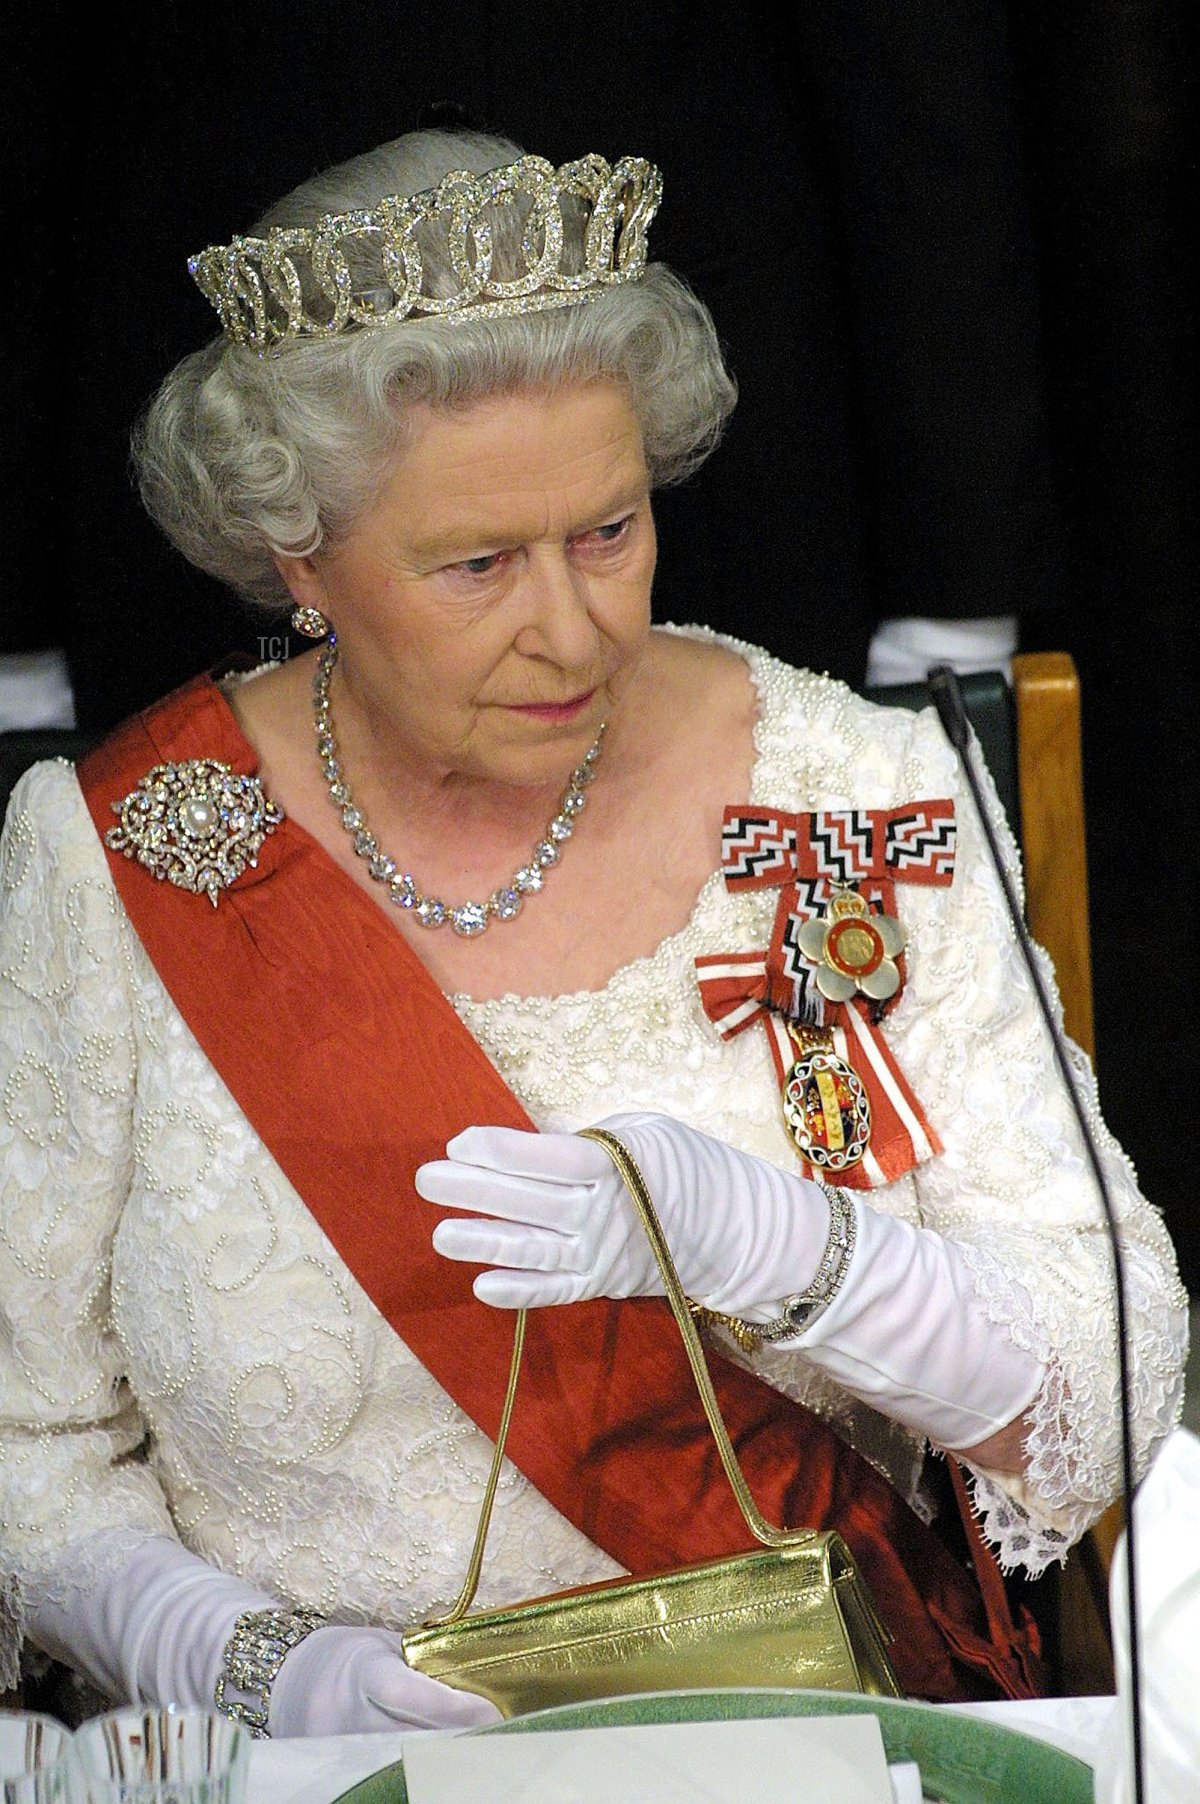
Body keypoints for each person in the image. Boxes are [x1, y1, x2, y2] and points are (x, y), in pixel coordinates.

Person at [0, 129, 1186, 1736]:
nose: (572, 629)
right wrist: (252, 1666)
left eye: (610, 532)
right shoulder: (117, 854)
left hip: (816, 1738)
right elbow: (27, 1440)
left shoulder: (851, 790)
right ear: (301, 560)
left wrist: (786, 1252)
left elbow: (1111, 1391)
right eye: (476, 563)